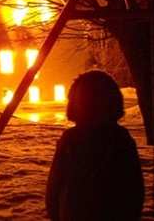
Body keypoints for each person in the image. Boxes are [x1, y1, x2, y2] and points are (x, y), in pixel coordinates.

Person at [45, 70, 145, 221]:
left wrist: (57, 215)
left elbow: (54, 187)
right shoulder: (121, 139)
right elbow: (135, 187)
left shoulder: (71, 139)